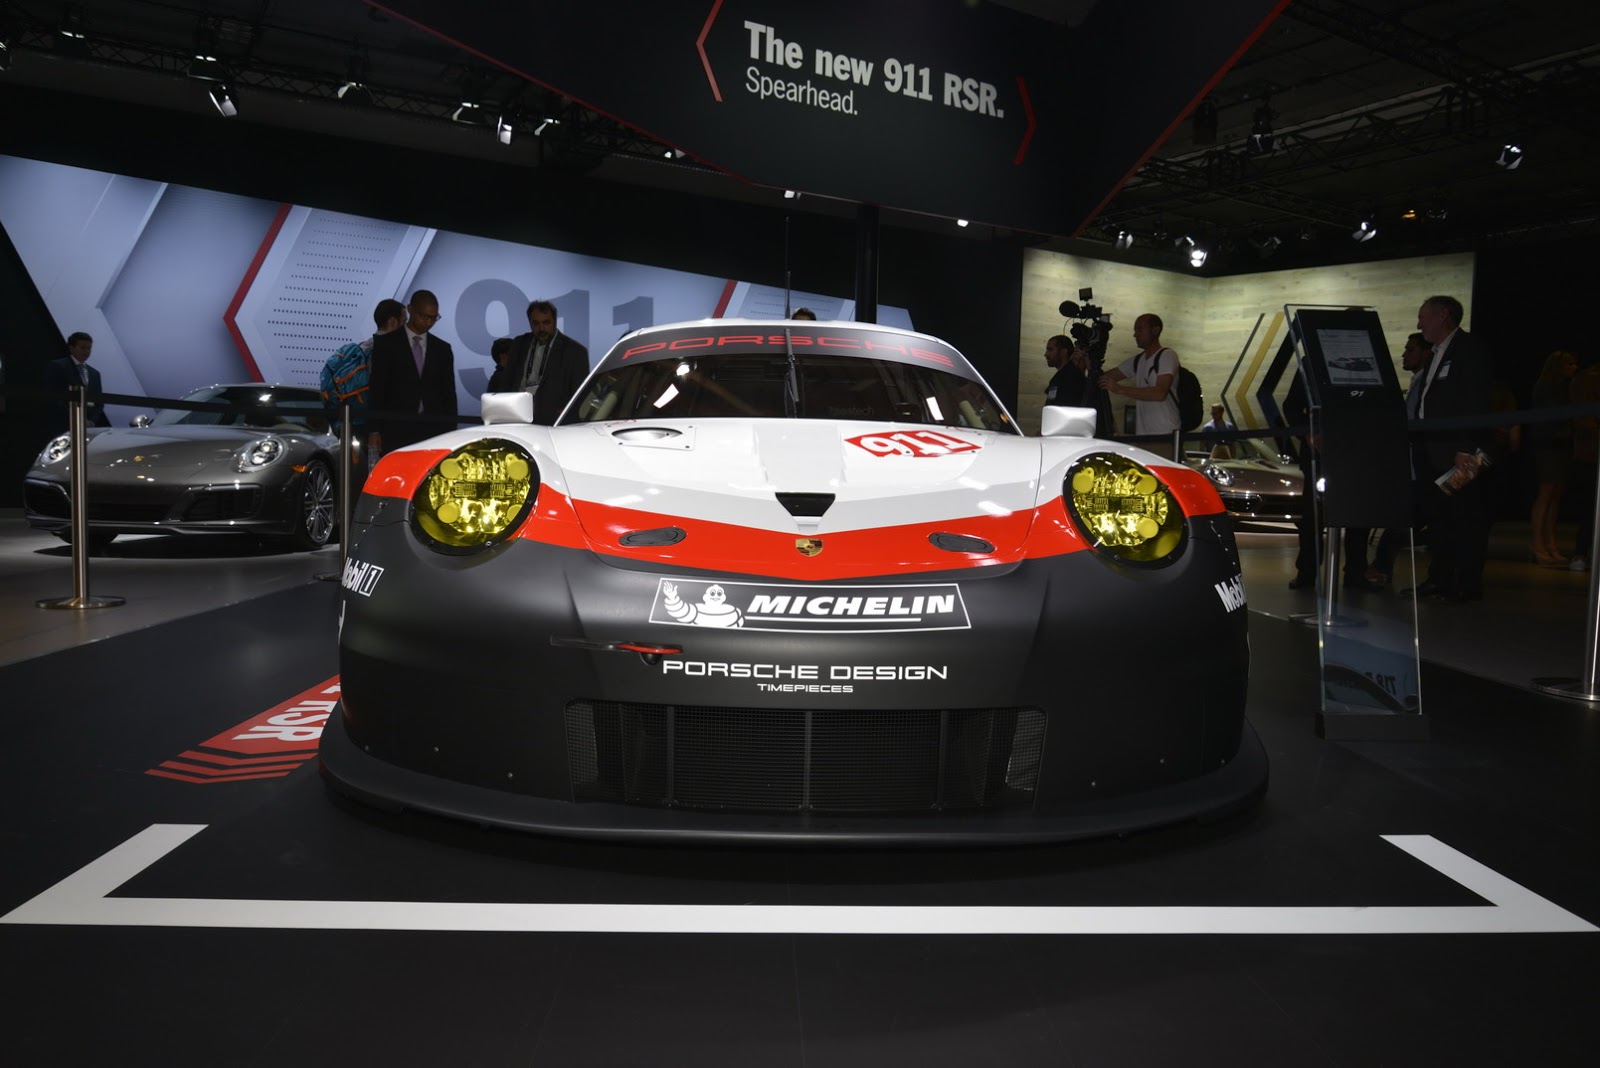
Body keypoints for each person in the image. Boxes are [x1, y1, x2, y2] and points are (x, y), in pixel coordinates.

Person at [1407, 295, 1495, 602]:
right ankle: (1440, 579)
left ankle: (1467, 584)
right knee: (1439, 518)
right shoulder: (1434, 354)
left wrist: (1466, 448)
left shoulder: (1470, 349)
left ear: (1443, 315)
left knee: (1466, 518)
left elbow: (1475, 400)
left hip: (1458, 452)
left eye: (1423, 316)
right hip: (1430, 449)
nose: (1419, 324)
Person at [1368, 332, 1433, 584]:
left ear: (1425, 353)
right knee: (1406, 517)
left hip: (1419, 466)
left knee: (1407, 518)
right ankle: (1381, 566)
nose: (1404, 355)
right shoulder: (1418, 382)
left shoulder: (1425, 383)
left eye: (1410, 350)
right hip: (1411, 466)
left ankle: (1381, 566)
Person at [366, 289, 457, 458]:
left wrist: (451, 431)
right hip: (395, 429)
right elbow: (377, 389)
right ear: (410, 310)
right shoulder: (386, 344)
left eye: (433, 318)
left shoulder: (442, 349)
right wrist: (374, 430)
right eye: (424, 316)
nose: (429, 322)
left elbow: (449, 394)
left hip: (434, 430)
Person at [1097, 313, 1180, 458]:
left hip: (1164, 434)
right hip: (1143, 436)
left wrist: (1120, 389)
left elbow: (1160, 393)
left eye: (1140, 329)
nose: (1135, 334)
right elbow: (1104, 378)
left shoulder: (1167, 355)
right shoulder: (1138, 360)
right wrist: (1087, 363)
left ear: (1155, 330)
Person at [503, 299, 590, 425]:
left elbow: (579, 394)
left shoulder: (575, 351)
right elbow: (507, 380)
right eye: (536, 323)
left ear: (554, 321)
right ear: (530, 323)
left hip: (553, 422)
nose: (541, 328)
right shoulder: (519, 344)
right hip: (518, 417)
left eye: (546, 322)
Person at [1528, 349, 1578, 565]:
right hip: (1548, 444)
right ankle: (1537, 543)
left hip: (1562, 444)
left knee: (1556, 495)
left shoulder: (1565, 387)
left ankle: (1550, 543)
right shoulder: (1546, 386)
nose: (1574, 368)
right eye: (1569, 364)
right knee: (1546, 493)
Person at [44, 331, 111, 441]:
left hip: (88, 429)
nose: (86, 351)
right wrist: (78, 419)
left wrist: (91, 421)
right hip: (63, 427)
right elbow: (54, 398)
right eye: (83, 348)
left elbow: (99, 403)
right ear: (71, 348)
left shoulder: (94, 373)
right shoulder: (58, 366)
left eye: (89, 348)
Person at [1568, 353, 1600, 572]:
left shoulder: (1583, 380)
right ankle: (1580, 553)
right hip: (1590, 454)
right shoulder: (1588, 380)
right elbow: (1584, 420)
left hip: (1587, 452)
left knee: (1589, 508)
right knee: (1591, 507)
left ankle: (1581, 553)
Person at [1042, 334, 1087, 411]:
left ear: (1063, 352)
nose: (1046, 354)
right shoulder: (1059, 377)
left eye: (1050, 350)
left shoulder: (1072, 377)